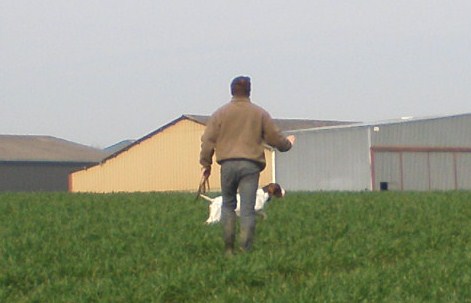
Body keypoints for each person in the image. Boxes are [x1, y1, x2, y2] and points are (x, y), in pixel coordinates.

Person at [200, 76, 296, 256]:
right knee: (247, 209)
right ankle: (245, 250)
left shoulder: (220, 113)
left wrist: (206, 164)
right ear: (250, 91)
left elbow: (207, 141)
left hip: (227, 166)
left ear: (231, 91)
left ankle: (228, 250)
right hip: (250, 167)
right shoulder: (259, 113)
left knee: (228, 206)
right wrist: (288, 144)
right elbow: (275, 138)